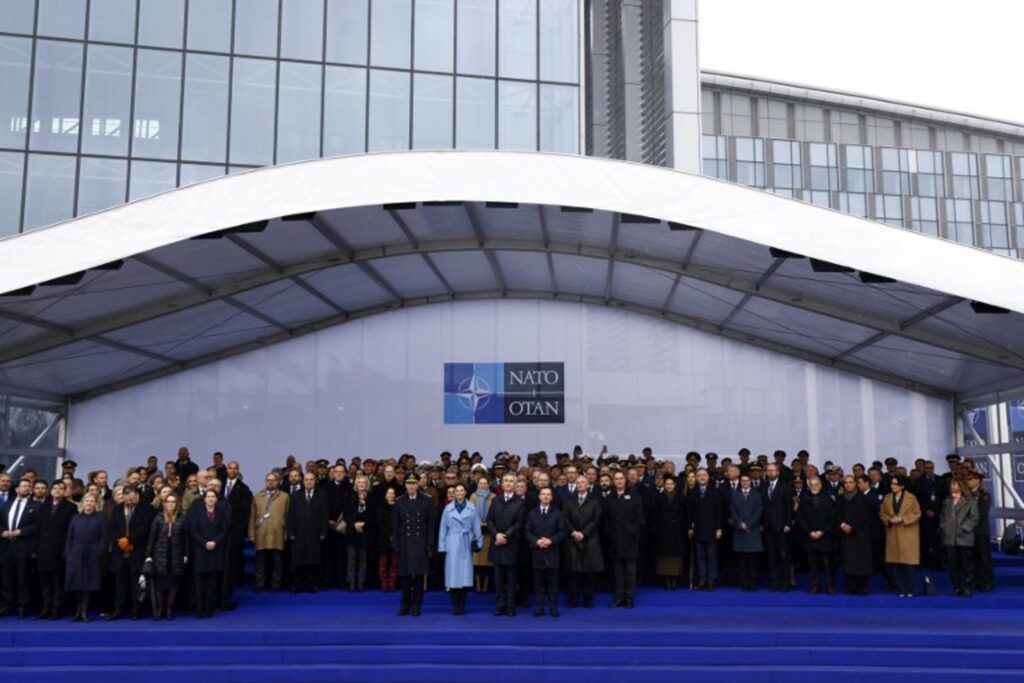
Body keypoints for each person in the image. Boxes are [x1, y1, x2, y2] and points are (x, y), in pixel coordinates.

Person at [105, 485, 154, 620]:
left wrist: (129, 540)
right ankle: (118, 609)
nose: (130, 502)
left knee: (135, 584)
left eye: (132, 499)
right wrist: (120, 541)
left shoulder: (147, 509)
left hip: (137, 550)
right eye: (127, 500)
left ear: (137, 495)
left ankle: (136, 610)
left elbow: (145, 528)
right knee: (120, 584)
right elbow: (112, 528)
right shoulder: (117, 509)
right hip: (120, 552)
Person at [438, 482, 483, 615]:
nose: (458, 493)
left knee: (464, 576)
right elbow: (443, 529)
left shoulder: (471, 508)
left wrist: (478, 543)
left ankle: (462, 606)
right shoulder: (447, 509)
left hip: (466, 543)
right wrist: (442, 546)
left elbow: (476, 527)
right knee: (453, 576)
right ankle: (454, 606)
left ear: (465, 492)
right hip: (452, 542)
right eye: (456, 491)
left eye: (461, 490)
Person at [394, 475, 435, 617]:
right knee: (405, 576)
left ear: (418, 484)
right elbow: (396, 525)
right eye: (408, 483)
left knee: (418, 577)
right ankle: (405, 605)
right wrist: (396, 544)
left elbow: (431, 525)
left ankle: (417, 605)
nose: (411, 486)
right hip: (405, 542)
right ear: (405, 485)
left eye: (414, 483)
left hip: (420, 542)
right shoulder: (400, 501)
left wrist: (430, 544)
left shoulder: (427, 500)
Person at [0, 478, 41, 618]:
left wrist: (22, 532)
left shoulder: (35, 505)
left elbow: (37, 525)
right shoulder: (7, 504)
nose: (27, 488)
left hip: (23, 546)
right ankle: (6, 606)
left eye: (28, 486)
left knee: (23, 578)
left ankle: (22, 607)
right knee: (6, 578)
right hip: (7, 546)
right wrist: (2, 532)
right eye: (23, 486)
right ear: (17, 489)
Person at [37, 481, 77, 619]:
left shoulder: (71, 508)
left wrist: (68, 550)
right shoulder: (43, 506)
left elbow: (72, 532)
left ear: (65, 491)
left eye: (61, 488)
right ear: (50, 490)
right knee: (45, 583)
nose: (57, 490)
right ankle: (45, 608)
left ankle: (56, 610)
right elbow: (38, 529)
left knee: (58, 583)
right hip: (43, 550)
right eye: (55, 488)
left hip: (60, 551)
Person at [145, 493, 189, 620]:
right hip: (160, 555)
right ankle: (159, 608)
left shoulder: (182, 518)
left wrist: (186, 554)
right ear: (164, 503)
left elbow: (186, 538)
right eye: (168, 501)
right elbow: (152, 538)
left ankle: (169, 608)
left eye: (173, 501)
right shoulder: (158, 517)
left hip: (175, 555)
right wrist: (148, 555)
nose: (170, 504)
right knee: (160, 584)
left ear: (177, 504)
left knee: (173, 584)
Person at [604, 470, 645, 608]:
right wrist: (610, 535)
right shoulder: (609, 498)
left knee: (630, 572)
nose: (619, 481)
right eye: (616, 479)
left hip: (630, 541)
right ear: (613, 482)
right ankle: (619, 597)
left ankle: (629, 598)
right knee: (618, 573)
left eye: (621, 478)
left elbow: (640, 520)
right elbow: (606, 520)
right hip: (615, 541)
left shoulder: (635, 497)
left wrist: (633, 533)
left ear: (625, 480)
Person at [561, 474, 603, 608]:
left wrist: (584, 533)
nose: (579, 484)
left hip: (590, 540)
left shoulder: (595, 501)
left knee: (589, 573)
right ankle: (573, 599)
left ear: (588, 485)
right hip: (572, 540)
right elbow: (565, 518)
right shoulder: (568, 501)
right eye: (577, 482)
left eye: (582, 482)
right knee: (573, 573)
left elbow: (596, 520)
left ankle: (588, 600)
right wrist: (573, 532)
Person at [487, 472, 525, 617]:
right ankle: (499, 605)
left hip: (511, 545)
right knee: (497, 579)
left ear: (515, 485)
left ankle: (510, 606)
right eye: (506, 481)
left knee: (511, 579)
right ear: (502, 484)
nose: (508, 483)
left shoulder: (520, 502)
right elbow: (489, 520)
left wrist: (506, 535)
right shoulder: (495, 500)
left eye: (511, 481)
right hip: (497, 544)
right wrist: (496, 534)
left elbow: (519, 523)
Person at [64, 493, 106, 622]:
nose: (89, 503)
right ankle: (78, 612)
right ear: (83, 503)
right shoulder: (76, 518)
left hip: (92, 555)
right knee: (77, 583)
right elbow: (69, 537)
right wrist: (68, 553)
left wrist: (98, 552)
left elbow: (103, 537)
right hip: (76, 554)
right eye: (87, 501)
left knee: (88, 584)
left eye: (92, 501)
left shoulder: (100, 518)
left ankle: (84, 611)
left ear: (95, 504)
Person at [525, 486, 564, 617]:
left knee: (553, 584)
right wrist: (536, 541)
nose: (546, 496)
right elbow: (527, 531)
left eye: (548, 494)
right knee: (538, 584)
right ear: (539, 496)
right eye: (543, 494)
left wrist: (550, 541)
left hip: (552, 552)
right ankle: (540, 608)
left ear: (552, 497)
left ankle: (553, 608)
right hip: (537, 553)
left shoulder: (558, 513)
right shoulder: (532, 513)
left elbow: (562, 532)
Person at [190, 489, 229, 618]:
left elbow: (224, 530)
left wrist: (215, 542)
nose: (211, 499)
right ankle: (199, 609)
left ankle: (209, 608)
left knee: (211, 582)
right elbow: (194, 530)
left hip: (215, 550)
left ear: (216, 499)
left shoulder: (221, 512)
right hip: (201, 550)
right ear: (204, 499)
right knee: (200, 582)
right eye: (209, 496)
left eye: (213, 496)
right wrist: (204, 543)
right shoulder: (197, 512)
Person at [881, 474, 922, 598]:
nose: (892, 486)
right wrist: (888, 520)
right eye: (892, 483)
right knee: (896, 562)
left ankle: (911, 589)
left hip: (907, 532)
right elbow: (882, 513)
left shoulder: (911, 498)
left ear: (902, 486)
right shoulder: (887, 498)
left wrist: (903, 519)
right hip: (893, 532)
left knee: (908, 563)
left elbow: (917, 513)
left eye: (895, 484)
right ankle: (901, 588)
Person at [288, 471, 329, 593]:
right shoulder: (295, 495)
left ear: (315, 481)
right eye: (306, 480)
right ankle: (298, 584)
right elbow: (291, 515)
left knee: (313, 560)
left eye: (311, 479)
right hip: (299, 532)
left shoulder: (322, 495)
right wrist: (290, 531)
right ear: (303, 481)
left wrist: (323, 532)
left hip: (315, 533)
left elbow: (325, 515)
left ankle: (312, 584)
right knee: (298, 560)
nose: (309, 482)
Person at [249, 472, 289, 593]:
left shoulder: (284, 497)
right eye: (268, 480)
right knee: (260, 561)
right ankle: (260, 584)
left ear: (278, 482)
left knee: (277, 561)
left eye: (273, 480)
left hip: (278, 533)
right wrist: (251, 533)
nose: (270, 482)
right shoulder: (257, 497)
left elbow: (288, 516)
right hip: (261, 533)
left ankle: (275, 584)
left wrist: (287, 531)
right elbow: (252, 516)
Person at [940, 479, 979, 597]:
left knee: (967, 564)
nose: (952, 486)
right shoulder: (947, 501)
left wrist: (964, 528)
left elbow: (974, 517)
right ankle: (957, 586)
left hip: (964, 536)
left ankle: (968, 587)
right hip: (950, 537)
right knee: (952, 564)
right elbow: (942, 516)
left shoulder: (970, 501)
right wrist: (943, 526)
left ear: (961, 486)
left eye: (955, 484)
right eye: (951, 484)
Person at [221, 460, 252, 609]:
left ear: (238, 471)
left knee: (231, 565)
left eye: (235, 468)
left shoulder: (244, 489)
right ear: (227, 470)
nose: (232, 470)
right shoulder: (218, 486)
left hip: (234, 534)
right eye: (230, 468)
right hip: (218, 534)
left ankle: (228, 595)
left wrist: (238, 532)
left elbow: (245, 514)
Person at [798, 478, 835, 595]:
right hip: (810, 536)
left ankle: (830, 585)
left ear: (820, 486)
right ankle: (815, 585)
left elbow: (832, 518)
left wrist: (822, 532)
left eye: (816, 484)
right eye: (811, 485)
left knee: (827, 563)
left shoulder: (828, 499)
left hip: (825, 536)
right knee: (812, 563)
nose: (814, 487)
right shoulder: (804, 499)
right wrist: (810, 532)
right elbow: (801, 518)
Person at [687, 468, 722, 591]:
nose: (702, 477)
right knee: (700, 556)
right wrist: (689, 527)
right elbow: (689, 513)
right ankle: (702, 580)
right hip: (698, 530)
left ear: (708, 477)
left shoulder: (715, 492)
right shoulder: (692, 492)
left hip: (712, 529)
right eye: (699, 475)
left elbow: (719, 512)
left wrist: (719, 528)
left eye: (704, 475)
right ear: (696, 478)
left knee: (711, 557)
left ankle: (711, 581)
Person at [838, 475, 873, 596]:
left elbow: (865, 516)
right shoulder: (840, 499)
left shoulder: (863, 498)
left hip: (860, 534)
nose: (848, 485)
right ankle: (850, 586)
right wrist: (842, 525)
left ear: (855, 484)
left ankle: (862, 587)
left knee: (861, 562)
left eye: (850, 482)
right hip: (845, 535)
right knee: (848, 561)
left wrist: (852, 526)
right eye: (846, 483)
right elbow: (836, 514)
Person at [762, 463, 794, 592]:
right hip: (768, 527)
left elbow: (789, 507)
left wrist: (787, 523)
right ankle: (774, 583)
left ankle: (785, 583)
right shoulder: (763, 486)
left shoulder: (785, 486)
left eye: (773, 470)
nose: (770, 473)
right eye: (768, 471)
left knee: (783, 556)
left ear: (778, 472)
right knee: (771, 557)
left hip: (782, 527)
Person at [652, 475, 686, 590]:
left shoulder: (681, 497)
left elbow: (685, 515)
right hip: (663, 532)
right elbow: (655, 515)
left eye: (671, 484)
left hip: (677, 531)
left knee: (676, 558)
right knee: (664, 558)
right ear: (664, 485)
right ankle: (666, 580)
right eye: (667, 484)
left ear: (675, 485)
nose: (669, 486)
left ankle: (675, 580)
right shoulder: (659, 497)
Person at [730, 474, 763, 592]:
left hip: (752, 531)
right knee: (742, 560)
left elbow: (759, 511)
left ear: (750, 482)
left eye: (747, 481)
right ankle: (744, 583)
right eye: (742, 481)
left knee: (752, 560)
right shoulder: (735, 495)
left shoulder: (757, 495)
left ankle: (752, 583)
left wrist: (748, 524)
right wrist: (740, 523)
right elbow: (733, 511)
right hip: (740, 531)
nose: (744, 482)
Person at [965, 472, 993, 591]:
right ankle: (975, 580)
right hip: (970, 532)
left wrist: (968, 523)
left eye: (971, 479)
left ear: (978, 481)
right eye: (967, 479)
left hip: (981, 530)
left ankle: (987, 581)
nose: (968, 481)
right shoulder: (967, 495)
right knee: (972, 557)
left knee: (984, 557)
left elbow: (982, 513)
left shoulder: (984, 495)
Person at [345, 475, 372, 592]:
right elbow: (347, 514)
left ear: (367, 485)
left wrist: (364, 523)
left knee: (363, 560)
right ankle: (351, 583)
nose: (361, 485)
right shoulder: (350, 497)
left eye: (363, 483)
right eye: (359, 483)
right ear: (356, 485)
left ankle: (361, 583)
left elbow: (373, 514)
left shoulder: (371, 498)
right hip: (352, 532)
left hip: (365, 533)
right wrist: (355, 524)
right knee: (351, 560)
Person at [469, 476, 493, 593]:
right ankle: (478, 584)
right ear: (477, 484)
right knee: (477, 561)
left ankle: (486, 585)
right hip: (477, 532)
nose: (483, 485)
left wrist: (487, 524)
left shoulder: (493, 497)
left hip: (489, 532)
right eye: (481, 483)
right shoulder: (473, 496)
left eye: (485, 483)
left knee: (488, 561)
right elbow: (471, 512)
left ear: (488, 484)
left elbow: (494, 513)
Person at [375, 487, 398, 592]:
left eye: (392, 493)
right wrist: (388, 535)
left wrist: (394, 535)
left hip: (396, 538)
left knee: (394, 562)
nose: (390, 495)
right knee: (383, 563)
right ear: (385, 495)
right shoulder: (381, 506)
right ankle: (384, 582)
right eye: (388, 493)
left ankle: (392, 581)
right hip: (383, 538)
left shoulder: (398, 507)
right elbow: (380, 523)